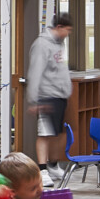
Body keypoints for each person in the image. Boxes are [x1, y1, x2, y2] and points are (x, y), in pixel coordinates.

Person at [28, 13, 75, 170]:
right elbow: (35, 72)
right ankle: (42, 169)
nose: (68, 34)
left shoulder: (60, 43)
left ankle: (53, 165)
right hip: (46, 95)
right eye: (67, 30)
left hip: (60, 95)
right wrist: (34, 100)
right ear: (59, 27)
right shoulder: (41, 44)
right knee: (45, 134)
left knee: (58, 133)